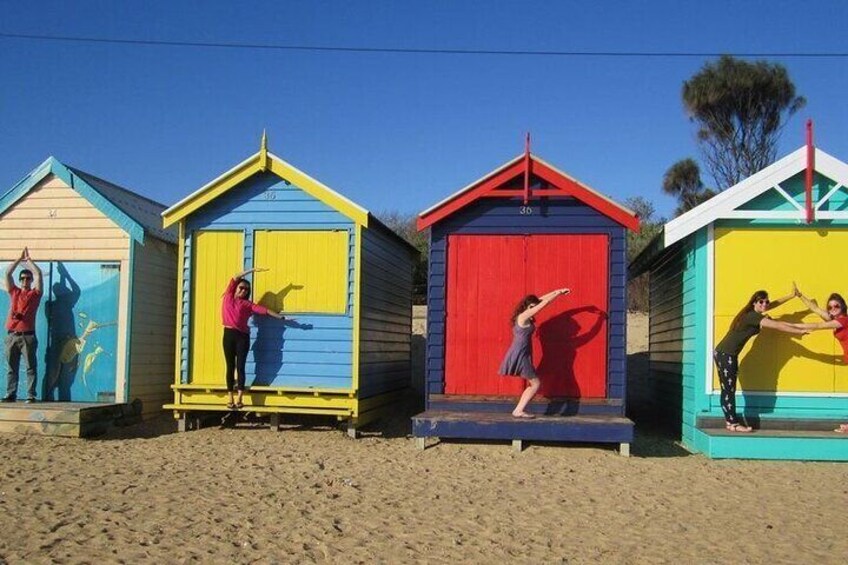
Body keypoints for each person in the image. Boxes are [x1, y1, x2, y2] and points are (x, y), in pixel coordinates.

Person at [713, 288, 808, 432]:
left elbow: (773, 304)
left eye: (766, 301)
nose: (764, 304)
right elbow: (778, 325)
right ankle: (732, 423)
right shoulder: (753, 316)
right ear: (754, 303)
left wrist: (791, 296)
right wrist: (798, 331)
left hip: (724, 353)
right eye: (761, 302)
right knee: (728, 389)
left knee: (727, 389)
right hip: (726, 354)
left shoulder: (752, 313)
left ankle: (730, 422)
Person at [498, 287, 570, 419]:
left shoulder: (525, 313)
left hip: (523, 352)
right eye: (532, 307)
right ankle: (518, 410)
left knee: (534, 383)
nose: (534, 310)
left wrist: (557, 291)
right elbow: (543, 304)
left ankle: (518, 410)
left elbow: (541, 300)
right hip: (520, 352)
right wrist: (558, 294)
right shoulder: (523, 316)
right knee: (536, 383)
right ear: (528, 306)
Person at [222, 268, 284, 410]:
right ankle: (230, 397)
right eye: (241, 288)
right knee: (230, 366)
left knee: (240, 366)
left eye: (246, 290)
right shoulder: (229, 296)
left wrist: (282, 317)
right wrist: (252, 270)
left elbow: (265, 311)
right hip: (229, 334)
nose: (243, 291)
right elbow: (235, 276)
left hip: (242, 337)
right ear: (236, 288)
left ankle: (239, 398)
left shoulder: (247, 304)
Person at [790, 283, 848, 433]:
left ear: (843, 306)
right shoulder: (834, 318)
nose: (833, 309)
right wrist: (800, 295)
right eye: (830, 307)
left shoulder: (843, 321)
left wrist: (793, 327)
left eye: (836, 306)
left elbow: (818, 325)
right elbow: (815, 309)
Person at [3, 247, 43, 403]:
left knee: (30, 367)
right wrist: (18, 260)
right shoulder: (14, 292)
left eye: (28, 278)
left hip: (28, 336)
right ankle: (10, 394)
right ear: (20, 280)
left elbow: (39, 274)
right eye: (23, 278)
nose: (25, 281)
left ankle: (31, 395)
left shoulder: (35, 294)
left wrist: (29, 261)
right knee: (12, 368)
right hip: (12, 335)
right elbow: (7, 274)